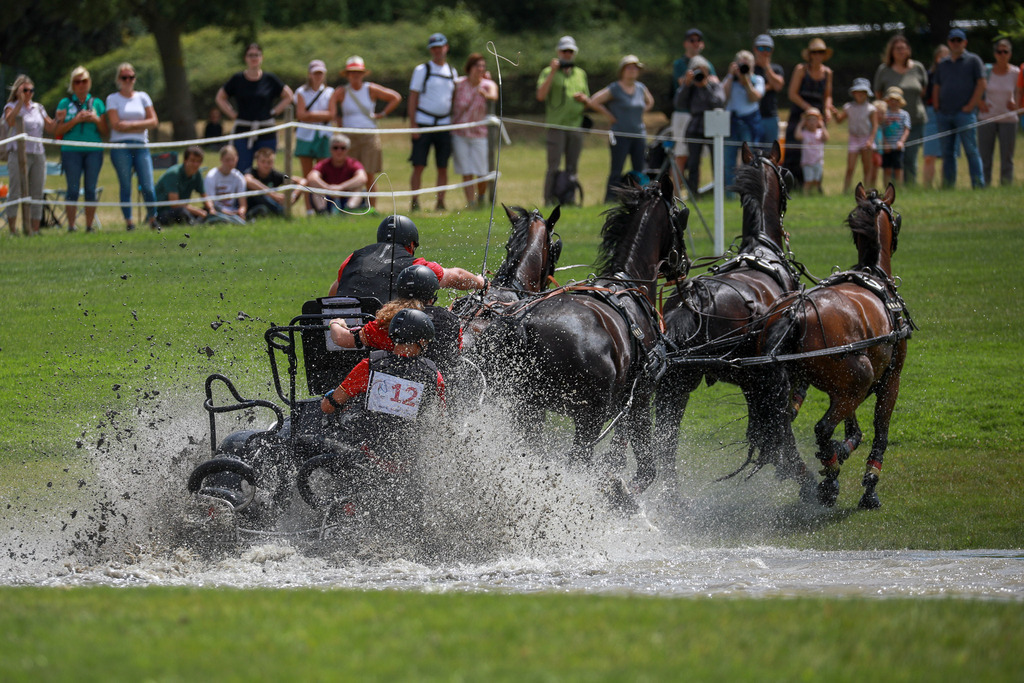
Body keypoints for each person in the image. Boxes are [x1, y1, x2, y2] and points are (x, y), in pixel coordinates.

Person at [321, 309, 446, 461]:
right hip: (412, 459)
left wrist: (329, 397)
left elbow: (328, 407)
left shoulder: (370, 366)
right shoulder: (434, 375)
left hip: (370, 456)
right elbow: (441, 420)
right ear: (422, 340)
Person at [329, 265, 462, 378]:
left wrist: (335, 323)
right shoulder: (453, 321)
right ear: (432, 295)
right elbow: (456, 353)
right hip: (440, 391)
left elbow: (342, 339)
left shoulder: (391, 322)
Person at [328, 214, 485, 299]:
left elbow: (335, 291)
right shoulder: (415, 266)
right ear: (411, 244)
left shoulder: (352, 258)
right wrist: (479, 282)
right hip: (381, 336)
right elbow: (456, 276)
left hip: (344, 333)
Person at [329, 56, 402, 210]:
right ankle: (347, 206)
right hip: (349, 138)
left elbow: (395, 98)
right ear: (347, 75)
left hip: (369, 135)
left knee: (369, 174)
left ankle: (372, 208)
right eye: (352, 72)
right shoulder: (342, 92)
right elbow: (331, 106)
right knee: (350, 174)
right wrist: (338, 121)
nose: (355, 75)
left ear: (363, 74)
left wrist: (382, 113)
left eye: (358, 72)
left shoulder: (370, 89)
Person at [215, 43, 293, 174]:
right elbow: (220, 97)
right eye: (250, 55)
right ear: (245, 58)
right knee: (242, 169)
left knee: (266, 168)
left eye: (256, 55)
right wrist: (233, 114)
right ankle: (243, 194)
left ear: (261, 57)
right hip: (243, 130)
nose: (254, 58)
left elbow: (288, 96)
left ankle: (264, 194)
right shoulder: (237, 79)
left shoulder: (270, 79)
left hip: (266, 129)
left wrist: (274, 112)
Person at [589, 55, 654, 202]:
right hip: (620, 135)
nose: (632, 71)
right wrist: (610, 116)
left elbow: (650, 102)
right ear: (622, 70)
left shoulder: (641, 88)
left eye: (635, 68)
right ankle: (610, 199)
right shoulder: (615, 88)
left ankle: (642, 199)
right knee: (616, 170)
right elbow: (594, 101)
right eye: (629, 67)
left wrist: (639, 114)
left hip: (639, 134)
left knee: (641, 170)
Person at [536, 35, 590, 206]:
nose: (568, 54)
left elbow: (588, 99)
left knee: (572, 167)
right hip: (556, 126)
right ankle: (548, 200)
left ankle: (569, 198)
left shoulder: (580, 74)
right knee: (553, 166)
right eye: (565, 51)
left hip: (575, 126)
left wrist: (583, 99)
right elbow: (540, 95)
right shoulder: (547, 71)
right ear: (558, 52)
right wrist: (553, 71)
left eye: (570, 51)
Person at [408, 33, 458, 212]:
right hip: (424, 122)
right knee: (419, 165)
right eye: (434, 48)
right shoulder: (422, 70)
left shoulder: (452, 71)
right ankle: (415, 201)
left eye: (440, 47)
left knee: (443, 166)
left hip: (445, 124)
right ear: (431, 50)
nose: (438, 51)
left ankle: (440, 201)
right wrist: (413, 125)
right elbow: (413, 97)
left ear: (446, 48)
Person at [54, 66, 107, 233]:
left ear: (89, 82)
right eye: (77, 82)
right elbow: (57, 131)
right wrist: (76, 120)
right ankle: (71, 226)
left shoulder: (97, 103)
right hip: (71, 151)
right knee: (73, 189)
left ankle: (89, 226)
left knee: (91, 189)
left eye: (84, 81)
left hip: (94, 150)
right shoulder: (65, 103)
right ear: (72, 85)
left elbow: (106, 131)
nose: (81, 85)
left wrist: (96, 119)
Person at [106, 62, 158, 230]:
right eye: (124, 77)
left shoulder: (143, 96)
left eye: (131, 77)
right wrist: (141, 125)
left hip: (141, 145)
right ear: (118, 79)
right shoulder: (112, 98)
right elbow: (115, 124)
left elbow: (154, 121)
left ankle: (153, 219)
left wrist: (128, 124)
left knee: (148, 185)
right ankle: (129, 222)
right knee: (125, 184)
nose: (128, 80)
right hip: (120, 146)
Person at [933, 28, 986, 189]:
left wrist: (971, 105)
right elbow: (937, 85)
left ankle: (978, 185)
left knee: (971, 150)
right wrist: (936, 106)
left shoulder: (974, 60)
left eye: (959, 40)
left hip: (965, 114)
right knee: (947, 153)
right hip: (944, 114)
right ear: (949, 43)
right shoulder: (943, 63)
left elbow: (982, 84)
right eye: (953, 40)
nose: (956, 43)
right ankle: (948, 186)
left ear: (965, 42)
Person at [873, 35, 929, 185]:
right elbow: (878, 95)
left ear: (909, 50)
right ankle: (891, 190)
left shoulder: (918, 68)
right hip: (889, 124)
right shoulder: (884, 70)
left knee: (910, 157)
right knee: (891, 160)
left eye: (904, 48)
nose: (901, 51)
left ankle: (910, 187)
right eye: (897, 48)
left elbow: (923, 91)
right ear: (891, 51)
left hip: (915, 120)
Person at [4, 75, 55, 236]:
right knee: (15, 190)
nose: (28, 93)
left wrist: (59, 120)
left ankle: (34, 229)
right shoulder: (11, 106)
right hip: (18, 154)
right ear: (18, 90)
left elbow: (50, 127)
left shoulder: (38, 107)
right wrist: (19, 102)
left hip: (38, 153)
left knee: (37, 191)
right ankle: (13, 229)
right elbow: (10, 122)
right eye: (25, 90)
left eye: (31, 90)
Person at [784, 38, 837, 187]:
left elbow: (827, 95)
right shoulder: (801, 69)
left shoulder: (827, 72)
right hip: (799, 113)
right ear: (810, 55)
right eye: (815, 52)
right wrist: (808, 109)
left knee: (815, 151)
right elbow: (792, 94)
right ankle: (792, 185)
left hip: (816, 118)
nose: (818, 55)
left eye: (821, 52)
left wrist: (827, 109)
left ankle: (815, 185)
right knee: (794, 149)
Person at [669, 28, 716, 189]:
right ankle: (675, 192)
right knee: (681, 155)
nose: (695, 43)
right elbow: (681, 83)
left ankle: (695, 189)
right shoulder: (679, 63)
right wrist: (690, 78)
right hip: (683, 115)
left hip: (702, 117)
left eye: (698, 40)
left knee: (698, 158)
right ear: (685, 43)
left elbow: (715, 82)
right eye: (691, 40)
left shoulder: (707, 63)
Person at [451, 53, 498, 208]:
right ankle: (470, 202)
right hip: (460, 132)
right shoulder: (459, 84)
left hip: (480, 133)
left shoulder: (487, 84)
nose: (481, 69)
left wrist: (485, 94)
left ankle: (482, 197)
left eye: (483, 66)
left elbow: (494, 95)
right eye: (478, 66)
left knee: (481, 169)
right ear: (470, 68)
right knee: (466, 169)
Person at [673, 55, 724, 198]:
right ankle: (693, 193)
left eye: (702, 70)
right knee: (693, 162)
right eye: (696, 70)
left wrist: (706, 86)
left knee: (717, 160)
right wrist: (686, 85)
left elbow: (719, 102)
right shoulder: (689, 87)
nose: (700, 73)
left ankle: (719, 191)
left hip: (713, 124)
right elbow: (679, 103)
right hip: (695, 125)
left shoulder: (714, 85)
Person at [977, 38, 1020, 186]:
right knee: (985, 157)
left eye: (1005, 51)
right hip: (986, 118)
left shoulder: (1016, 72)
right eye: (999, 51)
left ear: (1010, 54)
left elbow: (1020, 92)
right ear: (995, 54)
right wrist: (979, 101)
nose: (1002, 54)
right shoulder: (986, 70)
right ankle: (984, 185)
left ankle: (1006, 185)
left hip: (1009, 119)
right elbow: (976, 88)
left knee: (1007, 157)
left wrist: (1017, 103)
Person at [722, 50, 765, 194]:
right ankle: (730, 194)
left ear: (753, 65)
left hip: (749, 123)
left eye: (747, 64)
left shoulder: (757, 79)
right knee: (729, 162)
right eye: (742, 64)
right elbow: (722, 97)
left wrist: (745, 80)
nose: (744, 67)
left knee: (749, 160)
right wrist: (730, 75)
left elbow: (754, 97)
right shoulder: (730, 80)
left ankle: (750, 192)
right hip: (731, 122)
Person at [834, 78, 878, 192]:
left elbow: (875, 126)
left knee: (867, 168)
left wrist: (871, 140)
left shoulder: (871, 109)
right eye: (858, 92)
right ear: (854, 93)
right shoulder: (849, 107)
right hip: (854, 138)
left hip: (866, 138)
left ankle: (868, 190)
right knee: (850, 167)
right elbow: (839, 120)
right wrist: (834, 113)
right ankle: (846, 190)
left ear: (867, 94)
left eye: (863, 93)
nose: (860, 95)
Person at [306, 133, 368, 213]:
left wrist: (341, 187)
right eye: (335, 148)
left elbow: (362, 178)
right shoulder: (324, 164)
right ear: (330, 149)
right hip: (328, 198)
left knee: (358, 189)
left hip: (346, 196)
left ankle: (348, 211)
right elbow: (311, 177)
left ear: (348, 150)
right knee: (316, 189)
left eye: (343, 148)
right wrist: (328, 188)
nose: (339, 151)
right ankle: (323, 213)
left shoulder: (353, 163)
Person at [293, 59, 334, 180]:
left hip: (324, 135)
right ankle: (308, 199)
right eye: (315, 73)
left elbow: (332, 114)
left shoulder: (330, 92)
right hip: (305, 136)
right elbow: (301, 115)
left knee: (323, 174)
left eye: (320, 73)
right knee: (307, 176)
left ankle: (323, 199)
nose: (318, 76)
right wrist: (322, 115)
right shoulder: (301, 92)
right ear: (309, 74)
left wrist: (309, 115)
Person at [922, 45, 952, 188]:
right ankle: (927, 186)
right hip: (932, 114)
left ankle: (946, 185)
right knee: (929, 155)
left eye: (946, 56)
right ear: (935, 58)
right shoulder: (929, 75)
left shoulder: (954, 74)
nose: (943, 59)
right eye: (941, 56)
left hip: (949, 112)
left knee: (948, 155)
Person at [154, 145, 208, 226]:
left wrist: (212, 209)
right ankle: (197, 225)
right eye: (193, 161)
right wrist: (197, 211)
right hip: (162, 213)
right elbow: (175, 204)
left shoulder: (197, 173)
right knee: (182, 212)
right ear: (185, 160)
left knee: (207, 210)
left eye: (199, 161)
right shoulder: (173, 174)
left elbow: (205, 197)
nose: (196, 164)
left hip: (183, 210)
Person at [752, 34, 786, 152]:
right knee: (753, 154)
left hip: (770, 116)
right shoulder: (750, 69)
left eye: (768, 49)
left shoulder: (776, 69)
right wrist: (768, 86)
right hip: (753, 117)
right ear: (755, 49)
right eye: (761, 48)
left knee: (770, 154)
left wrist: (766, 68)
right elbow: (751, 92)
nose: (764, 52)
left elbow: (778, 86)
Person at [244, 147, 299, 219]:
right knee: (260, 194)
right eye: (263, 161)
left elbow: (301, 181)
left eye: (269, 162)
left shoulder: (275, 174)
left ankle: (282, 211)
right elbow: (248, 180)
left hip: (271, 206)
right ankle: (282, 212)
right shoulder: (251, 171)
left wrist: (293, 196)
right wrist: (273, 195)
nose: (266, 165)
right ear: (257, 162)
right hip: (252, 207)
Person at [203, 145, 247, 224]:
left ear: (237, 159)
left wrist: (241, 212)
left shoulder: (239, 177)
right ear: (221, 159)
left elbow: (243, 204)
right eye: (227, 160)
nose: (230, 163)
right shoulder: (212, 176)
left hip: (232, 211)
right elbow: (210, 203)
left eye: (233, 160)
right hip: (217, 211)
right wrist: (227, 213)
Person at [880, 87, 912, 186]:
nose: (894, 102)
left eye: (896, 100)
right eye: (891, 100)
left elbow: (907, 129)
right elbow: (881, 129)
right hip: (887, 147)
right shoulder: (884, 114)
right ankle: (886, 189)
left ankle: (899, 187)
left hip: (898, 147)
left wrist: (901, 142)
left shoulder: (904, 114)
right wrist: (885, 143)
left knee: (898, 168)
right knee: (887, 169)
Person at [794, 108, 829, 195]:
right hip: (807, 162)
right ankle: (805, 195)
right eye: (809, 120)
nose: (812, 122)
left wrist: (822, 126)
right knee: (808, 181)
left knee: (817, 181)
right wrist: (801, 124)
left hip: (818, 161)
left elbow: (826, 138)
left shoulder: (820, 133)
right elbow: (797, 136)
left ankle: (815, 194)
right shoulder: (805, 133)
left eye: (815, 120)